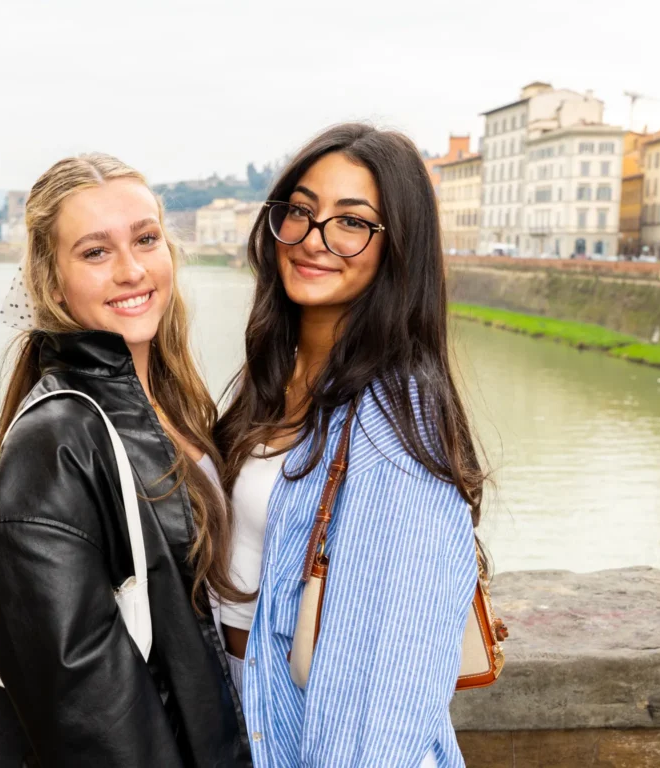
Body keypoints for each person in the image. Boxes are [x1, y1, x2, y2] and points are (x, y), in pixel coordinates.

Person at [0, 153, 251, 767]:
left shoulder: (176, 405)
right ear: (51, 279)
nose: (131, 269)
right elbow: (96, 731)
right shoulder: (52, 450)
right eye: (95, 252)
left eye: (146, 239)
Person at [215, 124, 485, 768]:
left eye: (352, 223)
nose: (315, 239)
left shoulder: (393, 418)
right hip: (253, 722)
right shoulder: (274, 378)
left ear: (398, 249)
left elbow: (391, 670)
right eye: (302, 212)